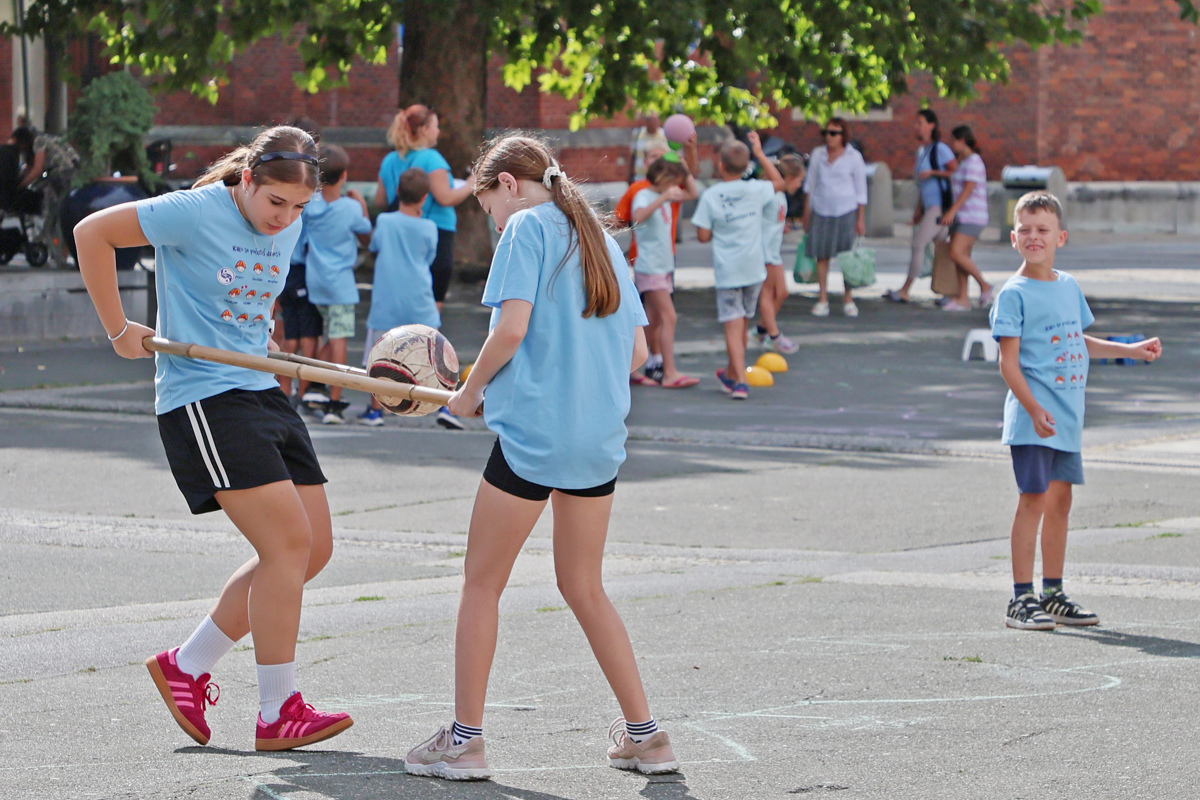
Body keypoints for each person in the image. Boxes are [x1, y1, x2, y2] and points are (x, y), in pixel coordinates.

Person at [403, 134, 677, 780]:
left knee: (481, 583)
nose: (491, 223)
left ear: (505, 186)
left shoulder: (525, 228)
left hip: (535, 438)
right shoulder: (602, 241)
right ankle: (649, 737)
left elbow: (513, 328)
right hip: (599, 441)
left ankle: (466, 741)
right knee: (584, 587)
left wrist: (468, 395)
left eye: (486, 208)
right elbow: (638, 356)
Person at [73, 125, 353, 750]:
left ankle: (188, 665)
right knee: (287, 543)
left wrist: (270, 347)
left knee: (313, 550)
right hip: (203, 397)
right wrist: (118, 328)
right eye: (275, 202)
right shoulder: (194, 211)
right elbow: (91, 233)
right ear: (247, 180)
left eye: (299, 208)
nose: (285, 219)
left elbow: (245, 305)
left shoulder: (292, 223)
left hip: (260, 388)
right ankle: (278, 711)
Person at [988, 191, 1162, 630]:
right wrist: (1032, 408)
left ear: (1060, 237)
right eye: (1025, 229)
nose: (1033, 236)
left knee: (1061, 502)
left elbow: (1075, 340)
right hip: (1034, 419)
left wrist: (1130, 350)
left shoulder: (1067, 286)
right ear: (1013, 237)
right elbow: (1007, 363)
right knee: (1034, 500)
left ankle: (1053, 592)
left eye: (1042, 230)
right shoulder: (1014, 293)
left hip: (1066, 416)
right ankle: (1020, 599)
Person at [691, 132, 785, 400]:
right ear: (746, 167)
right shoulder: (756, 188)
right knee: (741, 324)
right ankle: (731, 374)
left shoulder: (712, 195)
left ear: (720, 165)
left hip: (729, 270)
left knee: (733, 326)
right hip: (754, 269)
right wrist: (759, 154)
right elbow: (779, 182)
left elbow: (702, 236)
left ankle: (741, 381)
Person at [359, 167, 453, 428]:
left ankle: (376, 410)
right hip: (420, 301)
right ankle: (442, 406)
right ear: (425, 198)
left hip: (386, 303)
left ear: (398, 192)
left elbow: (374, 246)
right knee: (434, 357)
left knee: (377, 357)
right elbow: (430, 258)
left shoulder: (386, 222)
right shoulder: (430, 227)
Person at [374, 105, 475, 309]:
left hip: (400, 233)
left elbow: (380, 201)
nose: (438, 131)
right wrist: (473, 183)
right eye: (435, 126)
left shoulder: (390, 160)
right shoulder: (432, 159)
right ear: (423, 130)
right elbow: (446, 198)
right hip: (436, 232)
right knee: (431, 301)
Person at [303, 144, 372, 424]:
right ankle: (334, 401)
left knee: (326, 336)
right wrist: (362, 205)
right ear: (344, 176)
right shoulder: (351, 208)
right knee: (339, 338)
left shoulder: (310, 205)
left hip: (314, 280)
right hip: (341, 283)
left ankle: (310, 389)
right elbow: (366, 231)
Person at [628, 157, 698, 388]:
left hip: (663, 266)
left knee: (653, 322)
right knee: (670, 317)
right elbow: (637, 217)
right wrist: (662, 198)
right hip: (650, 267)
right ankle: (669, 372)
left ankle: (632, 367)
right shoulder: (645, 195)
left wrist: (685, 168)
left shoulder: (667, 196)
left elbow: (693, 193)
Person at [886, 109, 958, 304]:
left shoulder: (940, 149)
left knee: (919, 245)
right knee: (943, 249)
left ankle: (905, 289)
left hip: (940, 206)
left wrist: (934, 172)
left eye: (920, 122)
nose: (916, 126)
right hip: (929, 206)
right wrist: (918, 210)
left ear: (931, 125)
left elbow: (957, 172)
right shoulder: (922, 151)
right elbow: (922, 185)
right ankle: (949, 292)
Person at [801, 118, 868, 317]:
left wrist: (860, 219)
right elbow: (810, 184)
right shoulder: (818, 155)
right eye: (826, 133)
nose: (829, 137)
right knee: (821, 255)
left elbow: (861, 190)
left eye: (833, 133)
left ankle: (848, 298)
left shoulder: (853, 157)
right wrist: (806, 212)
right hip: (821, 209)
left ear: (843, 136)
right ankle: (822, 298)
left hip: (846, 210)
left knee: (847, 257)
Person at [939, 125, 994, 311]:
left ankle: (984, 285)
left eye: (954, 141)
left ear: (962, 141)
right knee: (960, 256)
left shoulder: (974, 161)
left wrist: (952, 211)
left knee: (956, 252)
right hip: (963, 216)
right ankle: (962, 298)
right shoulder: (963, 161)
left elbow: (968, 190)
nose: (952, 145)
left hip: (973, 215)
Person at [756, 153, 806, 351]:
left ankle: (761, 330)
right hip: (764, 251)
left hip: (773, 251)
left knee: (782, 292)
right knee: (768, 293)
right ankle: (774, 335)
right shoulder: (770, 195)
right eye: (800, 180)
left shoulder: (780, 197)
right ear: (789, 178)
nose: (801, 185)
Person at [628, 111, 670, 183]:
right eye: (653, 120)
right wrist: (629, 176)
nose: (655, 122)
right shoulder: (637, 134)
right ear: (646, 121)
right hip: (640, 177)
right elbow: (632, 156)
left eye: (657, 119)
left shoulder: (665, 134)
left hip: (660, 178)